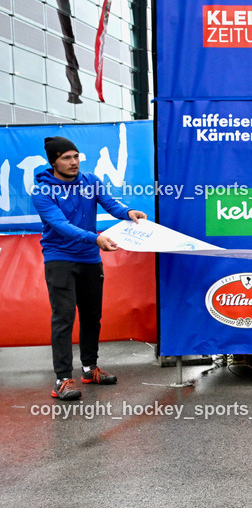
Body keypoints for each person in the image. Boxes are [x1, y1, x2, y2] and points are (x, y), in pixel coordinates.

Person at [30, 136, 147, 400]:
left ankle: (89, 369)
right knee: (64, 318)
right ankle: (62, 380)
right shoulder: (43, 191)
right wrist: (95, 238)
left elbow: (111, 204)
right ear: (53, 161)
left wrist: (128, 212)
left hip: (89, 259)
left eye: (76, 156)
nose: (74, 162)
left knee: (92, 316)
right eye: (66, 158)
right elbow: (60, 225)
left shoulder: (91, 181)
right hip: (59, 258)